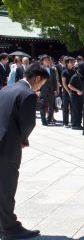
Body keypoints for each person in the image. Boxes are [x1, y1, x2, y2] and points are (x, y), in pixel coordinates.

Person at [0, 62, 49, 239]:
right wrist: (23, 140)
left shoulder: (6, 89)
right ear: (37, 78)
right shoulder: (28, 94)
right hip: (7, 146)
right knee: (6, 187)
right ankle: (9, 228)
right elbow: (28, 123)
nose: (40, 86)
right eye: (42, 83)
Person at [38, 55, 58, 125]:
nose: (47, 61)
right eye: (45, 60)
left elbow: (55, 80)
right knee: (43, 105)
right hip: (43, 90)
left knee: (51, 106)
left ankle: (49, 119)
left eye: (48, 60)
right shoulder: (40, 70)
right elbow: (37, 81)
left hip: (51, 90)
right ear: (42, 61)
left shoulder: (52, 70)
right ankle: (43, 120)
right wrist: (38, 90)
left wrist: (55, 89)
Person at [61, 56, 76, 128]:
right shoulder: (64, 71)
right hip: (66, 92)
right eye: (71, 62)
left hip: (73, 91)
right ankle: (65, 122)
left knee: (73, 107)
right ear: (67, 63)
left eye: (73, 62)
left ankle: (73, 122)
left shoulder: (74, 71)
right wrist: (68, 91)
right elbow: (63, 83)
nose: (72, 63)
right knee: (65, 107)